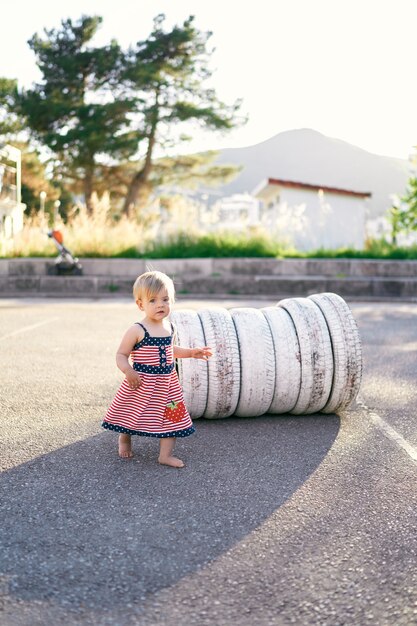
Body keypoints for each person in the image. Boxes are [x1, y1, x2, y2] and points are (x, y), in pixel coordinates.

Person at [102, 270, 212, 468]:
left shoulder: (169, 327)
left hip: (168, 384)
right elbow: (121, 355)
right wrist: (128, 371)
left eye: (165, 299)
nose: (160, 304)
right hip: (141, 382)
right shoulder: (137, 329)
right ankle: (125, 439)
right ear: (140, 304)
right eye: (152, 300)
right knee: (132, 411)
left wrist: (191, 352)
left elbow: (169, 350)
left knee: (173, 418)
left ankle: (165, 455)